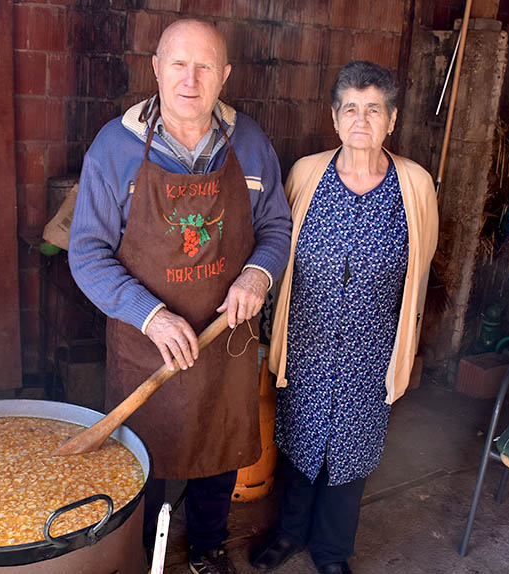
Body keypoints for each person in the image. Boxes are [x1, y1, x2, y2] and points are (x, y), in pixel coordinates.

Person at [68, 18, 292, 574]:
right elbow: (87, 254)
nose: (190, 80)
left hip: (225, 340)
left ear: (225, 76)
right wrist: (150, 315)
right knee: (139, 455)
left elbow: (278, 229)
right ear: (156, 68)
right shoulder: (114, 147)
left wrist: (258, 276)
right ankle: (137, 550)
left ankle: (210, 546)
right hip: (148, 344)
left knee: (219, 446)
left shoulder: (252, 144)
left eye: (205, 67)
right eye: (178, 64)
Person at [249, 61, 439, 574]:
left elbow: (421, 266)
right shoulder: (307, 174)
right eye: (350, 108)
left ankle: (332, 552)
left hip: (370, 347)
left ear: (391, 119)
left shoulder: (415, 184)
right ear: (334, 118)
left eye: (373, 109)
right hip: (308, 339)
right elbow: (278, 246)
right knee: (300, 440)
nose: (361, 119)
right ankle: (289, 534)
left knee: (352, 454)